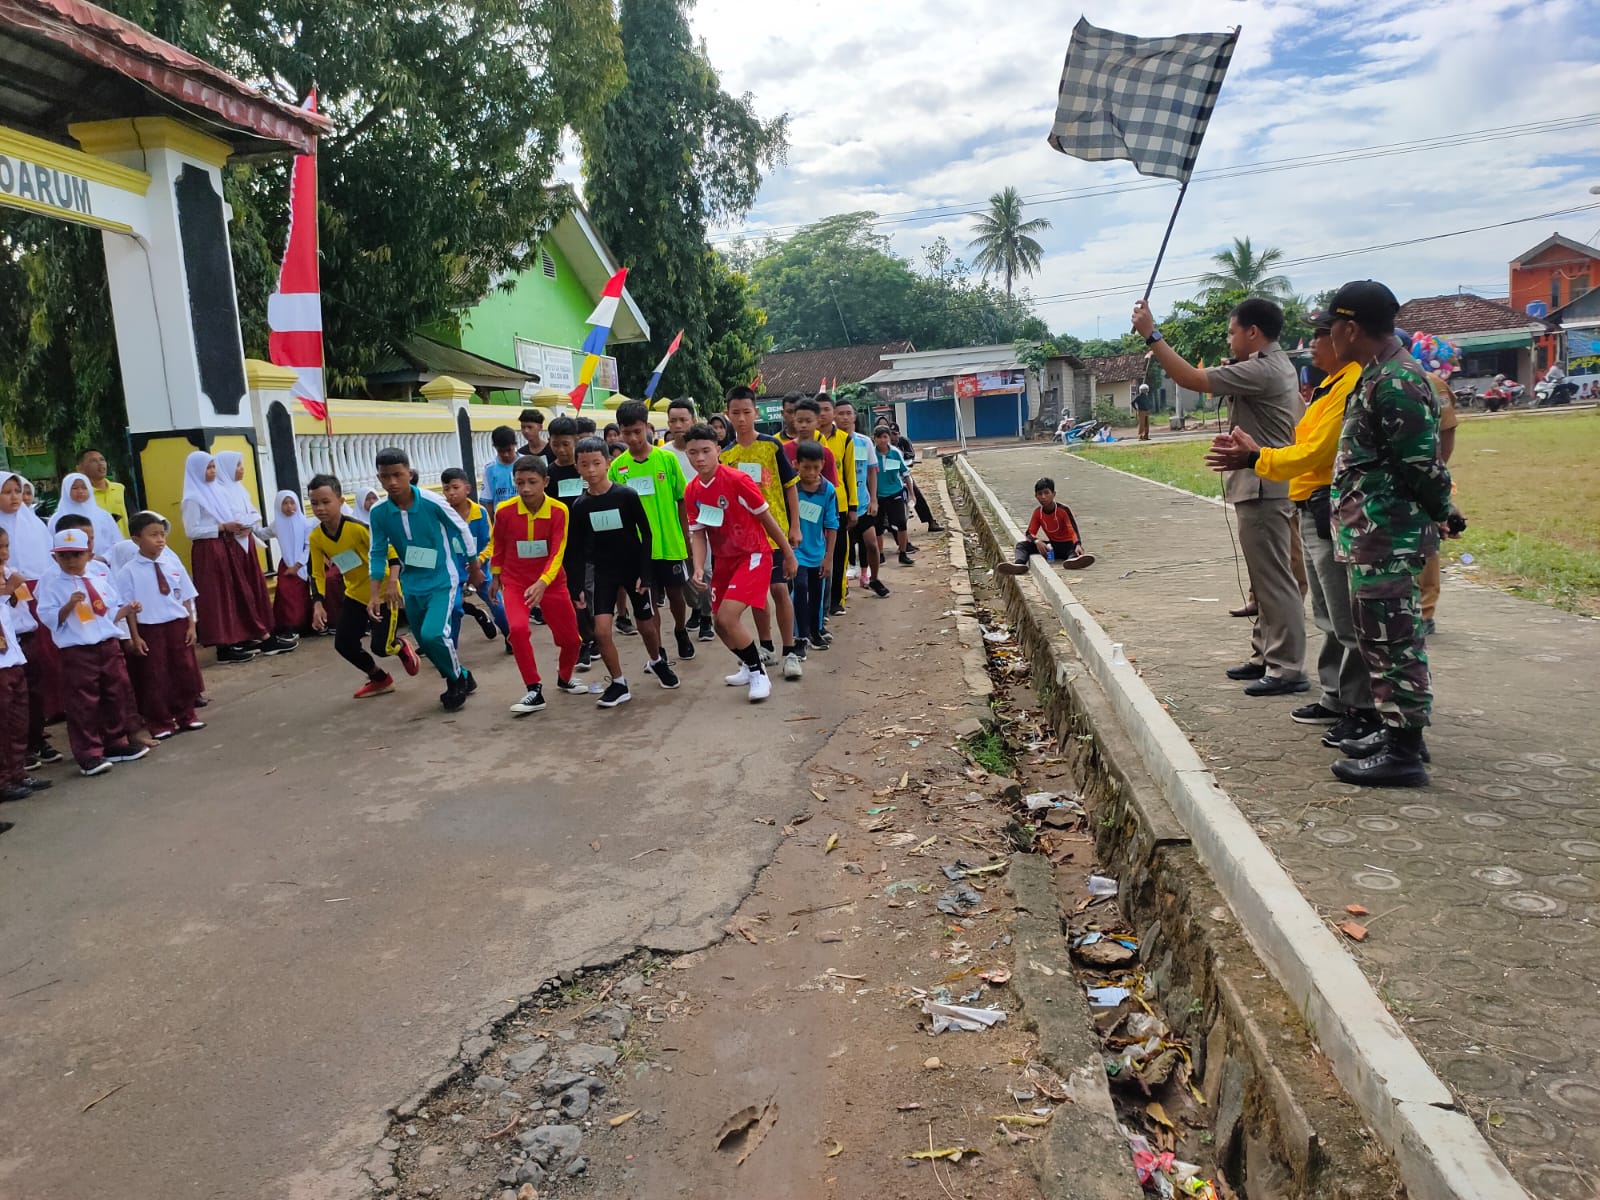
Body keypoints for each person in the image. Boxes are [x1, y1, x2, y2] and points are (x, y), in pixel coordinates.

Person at [1206, 312, 1376, 747]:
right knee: (1324, 608)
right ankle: (1332, 694)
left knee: (1333, 611)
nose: (1315, 344)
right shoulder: (1329, 386)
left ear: (1348, 334)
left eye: (1323, 335)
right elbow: (1302, 441)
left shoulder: (1353, 382)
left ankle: (1307, 680)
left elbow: (1312, 452)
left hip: (1313, 499)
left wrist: (1254, 459)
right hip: (1304, 499)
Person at [1132, 295, 1306, 697]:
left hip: (1265, 487)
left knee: (1276, 580)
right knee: (1265, 580)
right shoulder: (1269, 366)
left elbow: (1191, 379)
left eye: (1232, 332)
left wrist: (1152, 336)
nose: (1229, 340)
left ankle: (1287, 667)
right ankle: (1267, 655)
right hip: (1262, 483)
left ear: (1253, 332)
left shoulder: (1263, 369)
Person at [1322, 281, 1454, 787]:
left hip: (1388, 535)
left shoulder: (1395, 380)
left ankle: (1404, 752)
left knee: (1394, 640)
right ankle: (1397, 730)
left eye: (1331, 324)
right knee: (1378, 639)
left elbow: (1423, 462)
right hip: (1371, 534)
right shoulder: (1377, 375)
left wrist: (1443, 509)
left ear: (1350, 327)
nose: (1329, 334)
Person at [684, 422, 798, 703]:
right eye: (693, 452)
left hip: (754, 554)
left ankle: (759, 672)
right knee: (719, 623)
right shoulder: (692, 491)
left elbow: (766, 519)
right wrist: (699, 567)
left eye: (705, 451)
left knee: (728, 617)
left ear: (718, 451)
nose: (699, 458)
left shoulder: (737, 480)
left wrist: (789, 553)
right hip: (724, 560)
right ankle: (748, 665)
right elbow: (698, 535)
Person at [366, 447, 479, 711]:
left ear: (410, 474)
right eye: (385, 477)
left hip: (442, 578)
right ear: (379, 478)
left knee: (434, 633)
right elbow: (378, 551)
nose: (392, 482)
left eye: (397, 475)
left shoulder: (432, 501)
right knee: (423, 639)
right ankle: (462, 674)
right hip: (412, 583)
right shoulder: (379, 512)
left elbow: (461, 528)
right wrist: (375, 593)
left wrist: (474, 566)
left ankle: (455, 682)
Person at [569, 434, 678, 707]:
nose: (591, 470)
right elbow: (577, 549)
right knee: (602, 632)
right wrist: (577, 585)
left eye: (596, 463)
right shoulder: (580, 506)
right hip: (604, 572)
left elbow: (647, 534)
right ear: (577, 467)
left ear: (608, 463)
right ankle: (618, 683)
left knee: (646, 626)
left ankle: (656, 661)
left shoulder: (625, 495)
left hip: (633, 569)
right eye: (585, 465)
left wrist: (646, 571)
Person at [34, 526, 147, 776]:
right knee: (83, 702)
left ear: (88, 553)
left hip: (107, 644)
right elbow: (48, 617)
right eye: (64, 556)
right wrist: (68, 605)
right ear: (54, 557)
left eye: (77, 554)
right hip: (78, 649)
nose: (71, 561)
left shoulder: (99, 573)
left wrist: (127, 609)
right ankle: (89, 753)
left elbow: (109, 610)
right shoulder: (51, 581)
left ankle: (116, 743)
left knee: (115, 693)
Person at [306, 473, 419, 699]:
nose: (320, 508)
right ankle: (379, 679)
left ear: (340, 501)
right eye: (314, 503)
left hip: (385, 593)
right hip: (356, 594)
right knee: (344, 643)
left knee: (382, 647)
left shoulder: (358, 528)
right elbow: (316, 572)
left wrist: (393, 583)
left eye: (326, 502)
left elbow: (392, 554)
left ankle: (400, 645)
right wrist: (317, 604)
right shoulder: (316, 537)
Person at [488, 455, 584, 714]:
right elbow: (499, 545)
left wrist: (543, 582)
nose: (526, 489)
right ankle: (533, 688)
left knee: (572, 641)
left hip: (551, 582)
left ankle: (565, 677)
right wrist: (495, 576)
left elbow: (557, 551)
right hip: (516, 581)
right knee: (517, 630)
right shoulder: (505, 511)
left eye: (532, 482)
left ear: (546, 481)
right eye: (520, 483)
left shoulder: (558, 510)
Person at [721, 386, 803, 680]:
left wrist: (794, 526)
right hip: (745, 539)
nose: (741, 419)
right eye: (735, 413)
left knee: (779, 589)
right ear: (727, 414)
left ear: (756, 412)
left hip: (775, 530)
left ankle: (791, 651)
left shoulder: (771, 446)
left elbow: (790, 486)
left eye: (746, 412)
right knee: (756, 595)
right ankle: (765, 646)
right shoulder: (725, 455)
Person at [609, 400, 696, 661]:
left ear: (648, 427)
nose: (633, 438)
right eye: (627, 433)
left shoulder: (666, 460)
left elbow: (682, 499)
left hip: (669, 542)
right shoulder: (617, 468)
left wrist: (686, 538)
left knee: (675, 594)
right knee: (648, 600)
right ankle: (657, 650)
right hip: (637, 550)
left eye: (637, 431)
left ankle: (681, 630)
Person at [114, 511, 207, 740]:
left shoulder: (172, 563)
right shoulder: (128, 571)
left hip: (177, 625)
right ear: (136, 539)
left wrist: (191, 625)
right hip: (150, 628)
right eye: (153, 535)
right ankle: (160, 721)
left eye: (162, 534)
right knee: (155, 677)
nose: (160, 539)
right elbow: (129, 609)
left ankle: (187, 715)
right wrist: (135, 637)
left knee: (183, 671)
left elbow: (186, 596)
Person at [180, 451, 269, 664]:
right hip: (208, 549)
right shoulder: (192, 498)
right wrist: (221, 527)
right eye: (208, 468)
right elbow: (192, 531)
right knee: (217, 595)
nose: (212, 472)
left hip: (224, 545)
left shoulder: (216, 491)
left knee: (231, 592)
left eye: (213, 467)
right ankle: (223, 645)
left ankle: (238, 637)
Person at [0, 472, 63, 767]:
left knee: (37, 677)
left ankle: (37, 738)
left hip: (33, 605)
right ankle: (18, 750)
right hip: (6, 614)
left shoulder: (34, 525)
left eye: (18, 490)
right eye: (7, 492)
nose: (14, 497)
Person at [0, 561, 50, 802]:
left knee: (18, 721)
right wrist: (10, 585)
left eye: (6, 547)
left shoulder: (8, 577)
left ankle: (18, 773)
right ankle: (3, 780)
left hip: (12, 658)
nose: (3, 554)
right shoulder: (9, 582)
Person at [1417, 371, 1459, 637]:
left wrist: (1437, 472)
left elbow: (1447, 428)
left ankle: (1425, 611)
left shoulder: (1433, 383)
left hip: (1425, 471)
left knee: (1428, 538)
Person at [790, 440, 839, 654]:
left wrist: (829, 557)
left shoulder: (828, 490)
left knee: (817, 593)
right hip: (796, 551)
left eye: (816, 467)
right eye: (806, 467)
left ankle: (815, 631)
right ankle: (800, 637)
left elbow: (832, 525)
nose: (811, 472)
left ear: (823, 464)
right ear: (796, 464)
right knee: (800, 589)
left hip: (818, 552)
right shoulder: (791, 489)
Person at [812, 393, 858, 617]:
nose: (822, 414)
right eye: (818, 410)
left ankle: (837, 600)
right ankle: (818, 600)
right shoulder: (809, 438)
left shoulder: (845, 439)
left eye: (826, 409)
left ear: (832, 412)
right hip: (813, 505)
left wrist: (853, 507)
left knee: (839, 552)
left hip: (838, 504)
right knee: (816, 552)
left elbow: (849, 475)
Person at [835, 404, 886, 598]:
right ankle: (842, 583)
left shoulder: (864, 443)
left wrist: (874, 499)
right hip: (840, 505)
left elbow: (871, 471)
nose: (845, 418)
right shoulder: (829, 443)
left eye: (849, 413)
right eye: (841, 414)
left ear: (855, 417)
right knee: (842, 548)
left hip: (863, 503)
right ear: (833, 416)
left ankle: (872, 578)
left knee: (871, 544)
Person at [997, 478, 1095, 574]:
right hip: (1052, 546)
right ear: (1036, 496)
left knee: (1073, 550)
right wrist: (1037, 541)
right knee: (1022, 545)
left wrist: (1077, 544)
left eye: (1046, 493)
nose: (1043, 497)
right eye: (1040, 494)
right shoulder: (1037, 513)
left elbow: (1072, 529)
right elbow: (1029, 533)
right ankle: (1019, 565)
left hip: (1068, 545)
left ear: (1054, 494)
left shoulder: (1063, 510)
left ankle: (1074, 560)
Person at [270, 490, 314, 637]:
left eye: (292, 503)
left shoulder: (305, 523)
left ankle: (301, 625)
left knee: (300, 595)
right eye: (285, 504)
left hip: (300, 566)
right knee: (285, 594)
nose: (289, 507)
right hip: (285, 565)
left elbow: (308, 546)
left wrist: (298, 565)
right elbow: (263, 533)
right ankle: (287, 625)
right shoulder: (277, 524)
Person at [873, 425, 916, 567]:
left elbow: (905, 474)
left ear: (889, 438)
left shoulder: (895, 453)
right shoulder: (872, 454)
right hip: (878, 495)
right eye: (879, 437)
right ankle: (879, 554)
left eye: (885, 437)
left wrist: (911, 494)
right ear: (875, 439)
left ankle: (903, 553)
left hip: (895, 492)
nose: (882, 440)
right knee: (878, 527)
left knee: (901, 523)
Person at [49, 471, 122, 552]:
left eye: (84, 487)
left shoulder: (103, 515)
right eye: (75, 488)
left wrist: (104, 558)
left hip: (103, 562)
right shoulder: (57, 518)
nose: (80, 491)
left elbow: (117, 542)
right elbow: (51, 545)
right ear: (66, 490)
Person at [76, 448, 129, 536]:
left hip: (123, 545)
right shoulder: (81, 495)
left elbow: (133, 517)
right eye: (93, 461)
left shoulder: (120, 489)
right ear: (80, 468)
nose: (100, 463)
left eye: (102, 460)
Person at [482, 426, 521, 513]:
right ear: (495, 447)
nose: (506, 454)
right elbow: (488, 500)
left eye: (509, 450)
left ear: (515, 444)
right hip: (502, 517)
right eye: (501, 451)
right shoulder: (489, 469)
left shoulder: (527, 463)